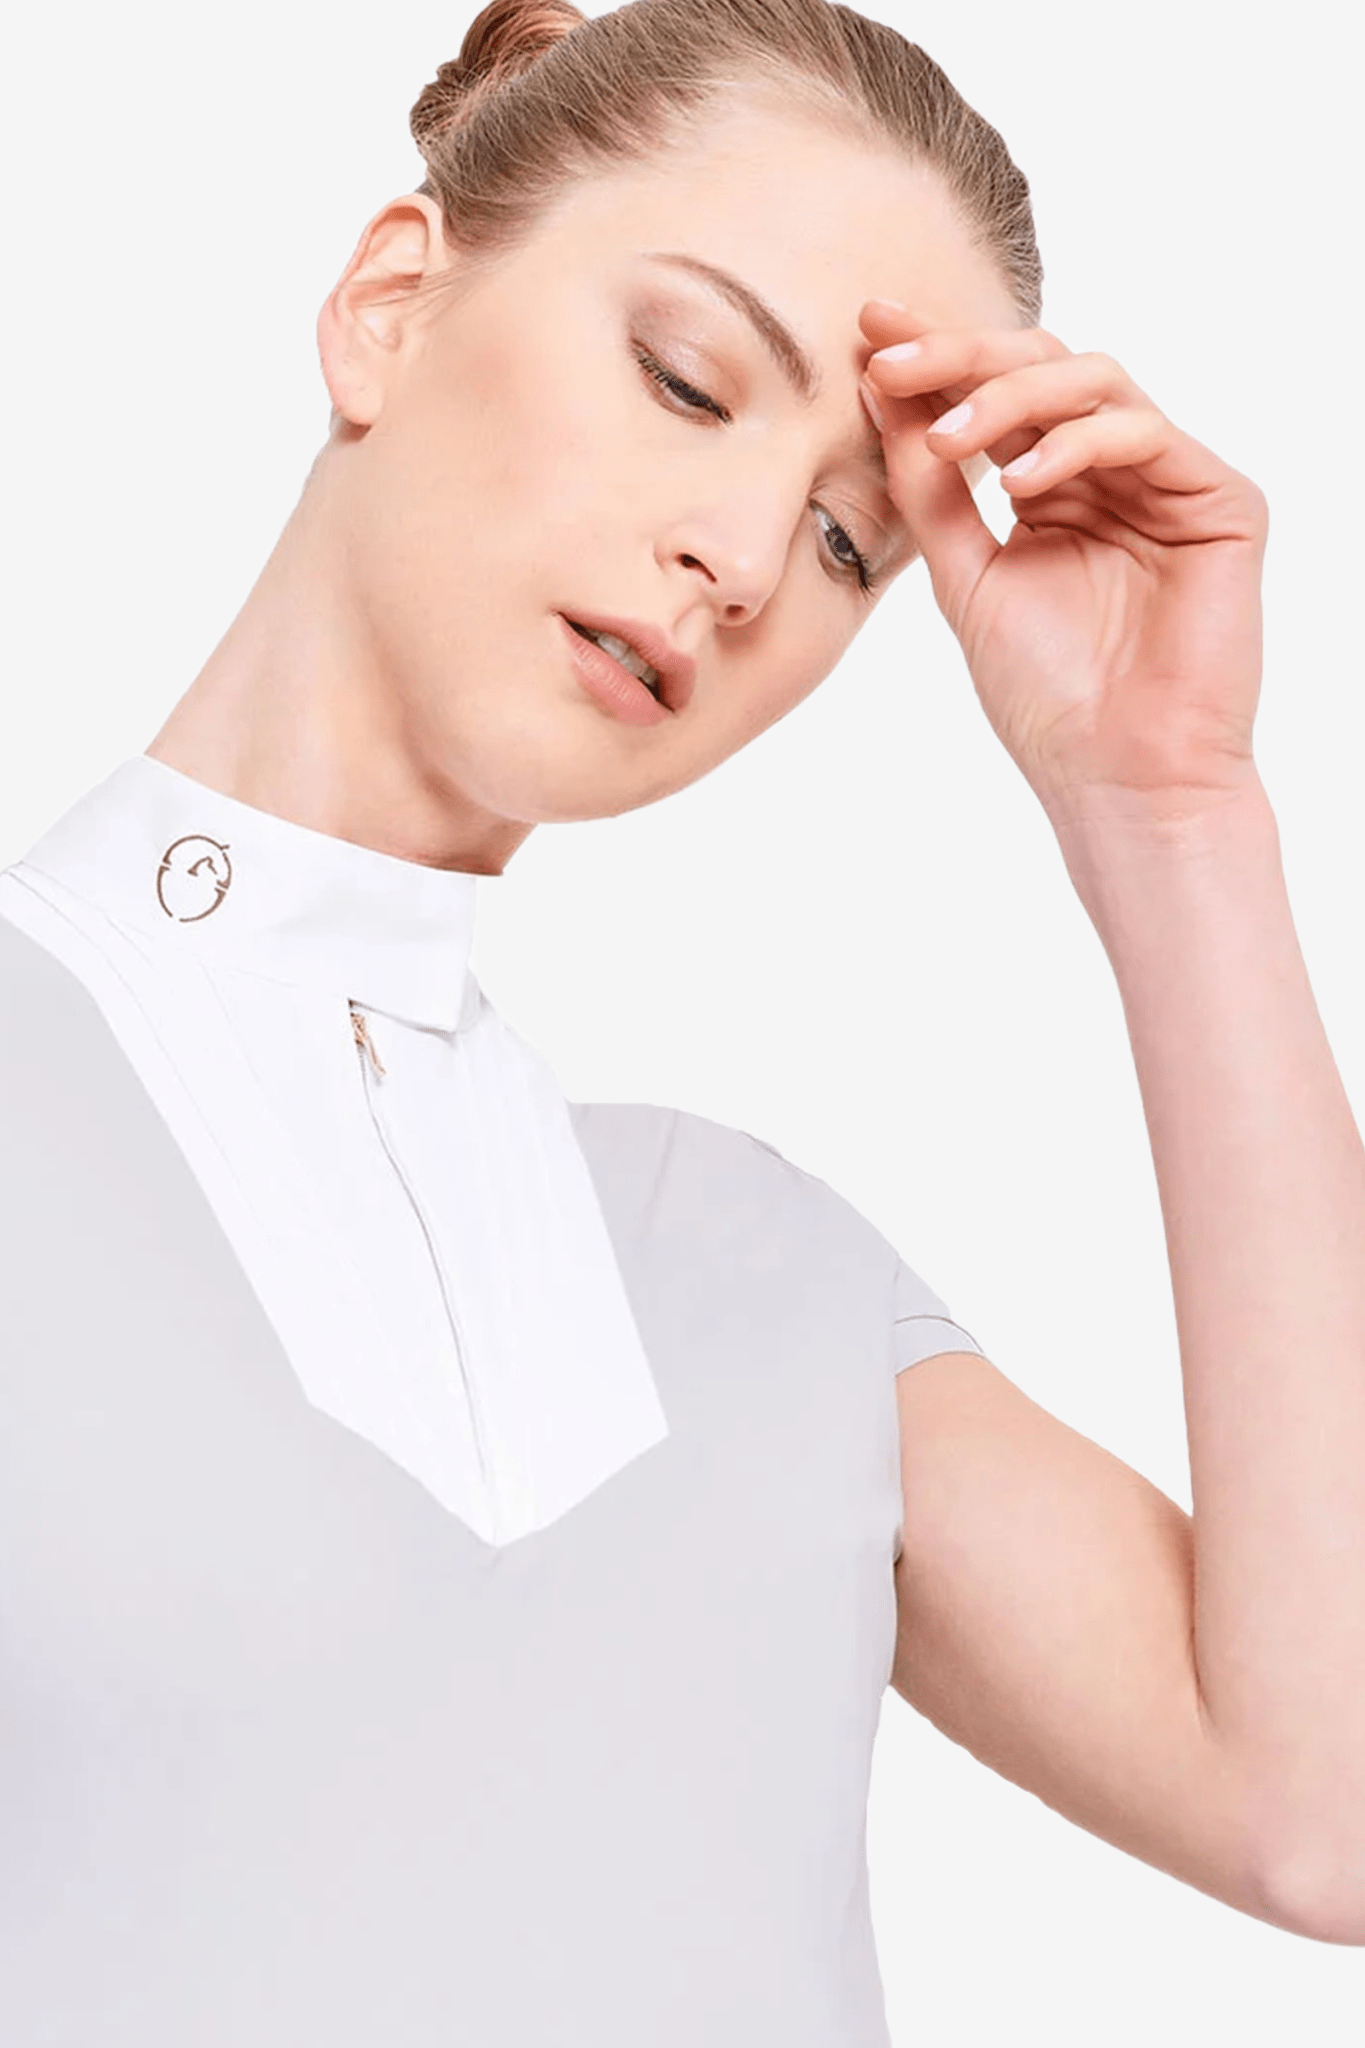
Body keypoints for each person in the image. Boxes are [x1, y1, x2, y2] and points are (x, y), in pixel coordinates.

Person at [1, 0, 1362, 2038]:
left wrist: (1169, 811)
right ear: (388, 307)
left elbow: (1326, 1810)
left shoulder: (760, 1279)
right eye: (686, 378)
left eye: (847, 540)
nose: (737, 563)